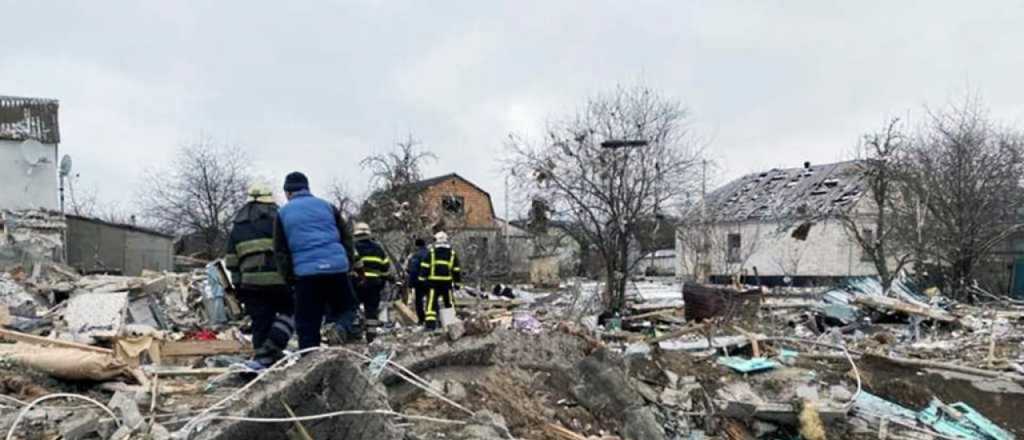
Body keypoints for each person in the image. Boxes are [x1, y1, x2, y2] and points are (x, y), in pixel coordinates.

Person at [273, 172, 359, 350]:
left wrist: (290, 278)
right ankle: (339, 328)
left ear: (287, 192)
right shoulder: (328, 206)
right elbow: (346, 238)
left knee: (307, 323)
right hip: (336, 271)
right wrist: (347, 264)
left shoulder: (282, 213)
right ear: (307, 188)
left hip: (306, 276)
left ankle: (309, 361)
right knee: (348, 309)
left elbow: (281, 251)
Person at [224, 183, 294, 369]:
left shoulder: (238, 226)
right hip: (280, 282)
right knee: (290, 313)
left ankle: (260, 365)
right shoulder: (280, 219)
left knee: (260, 323)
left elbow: (231, 261)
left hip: (251, 284)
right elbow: (290, 251)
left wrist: (238, 287)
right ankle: (272, 349)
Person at [350, 223, 393, 343]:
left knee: (352, 308)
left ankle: (353, 333)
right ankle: (371, 336)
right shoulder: (378, 248)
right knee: (371, 310)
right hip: (374, 284)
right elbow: (385, 266)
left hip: (357, 282)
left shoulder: (351, 246)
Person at [418, 231, 462, 330]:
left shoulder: (432, 252)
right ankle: (450, 326)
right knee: (449, 303)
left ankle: (430, 326)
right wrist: (457, 283)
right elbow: (456, 270)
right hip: (447, 284)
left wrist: (422, 280)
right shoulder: (452, 254)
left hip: (433, 283)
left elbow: (425, 267)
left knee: (431, 305)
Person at [405, 238, 429, 324]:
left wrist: (410, 284)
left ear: (416, 246)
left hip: (420, 282)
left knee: (419, 302)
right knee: (431, 300)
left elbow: (413, 271)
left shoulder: (416, 256)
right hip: (431, 281)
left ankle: (421, 320)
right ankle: (432, 320)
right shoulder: (431, 253)